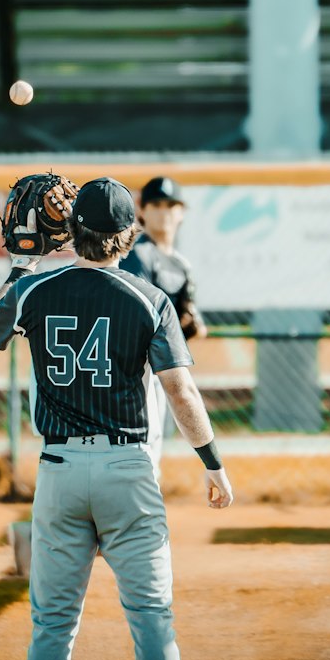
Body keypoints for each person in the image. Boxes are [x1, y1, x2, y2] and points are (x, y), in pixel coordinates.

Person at [0, 176, 233, 660]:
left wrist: (21, 260)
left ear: (72, 232)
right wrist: (213, 462)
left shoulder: (37, 288)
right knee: (152, 617)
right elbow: (180, 390)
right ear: (128, 235)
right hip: (127, 470)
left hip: (60, 471)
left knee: (52, 625)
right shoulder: (149, 298)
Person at [120, 175, 207, 469]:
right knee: (143, 451)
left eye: (171, 204)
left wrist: (189, 326)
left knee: (152, 448)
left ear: (181, 211)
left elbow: (191, 326)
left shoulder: (181, 265)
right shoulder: (138, 255)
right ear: (142, 210)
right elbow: (135, 315)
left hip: (162, 371)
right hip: (136, 371)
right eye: (156, 204)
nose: (164, 211)